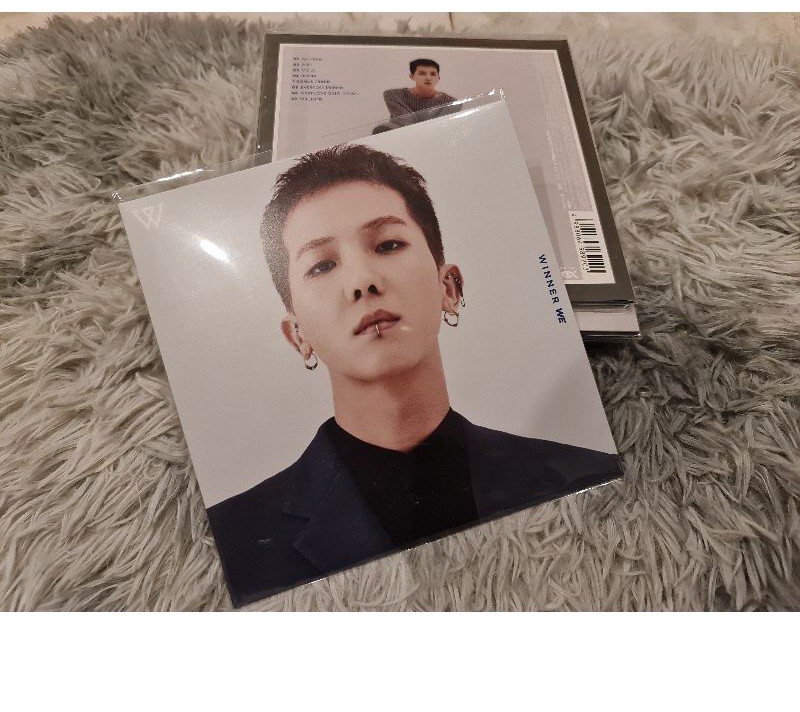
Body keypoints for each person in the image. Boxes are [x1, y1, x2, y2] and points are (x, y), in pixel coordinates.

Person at [206, 144, 622, 607]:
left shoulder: (587, 476)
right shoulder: (232, 540)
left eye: (388, 245)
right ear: (298, 334)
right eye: (322, 265)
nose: (362, 281)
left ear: (449, 288)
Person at [372, 58, 458, 134]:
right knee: (382, 129)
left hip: (431, 139)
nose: (428, 78)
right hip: (400, 135)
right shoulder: (393, 95)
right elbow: (406, 122)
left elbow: (437, 128)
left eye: (433, 74)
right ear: (412, 77)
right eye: (422, 73)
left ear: (438, 78)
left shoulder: (451, 102)